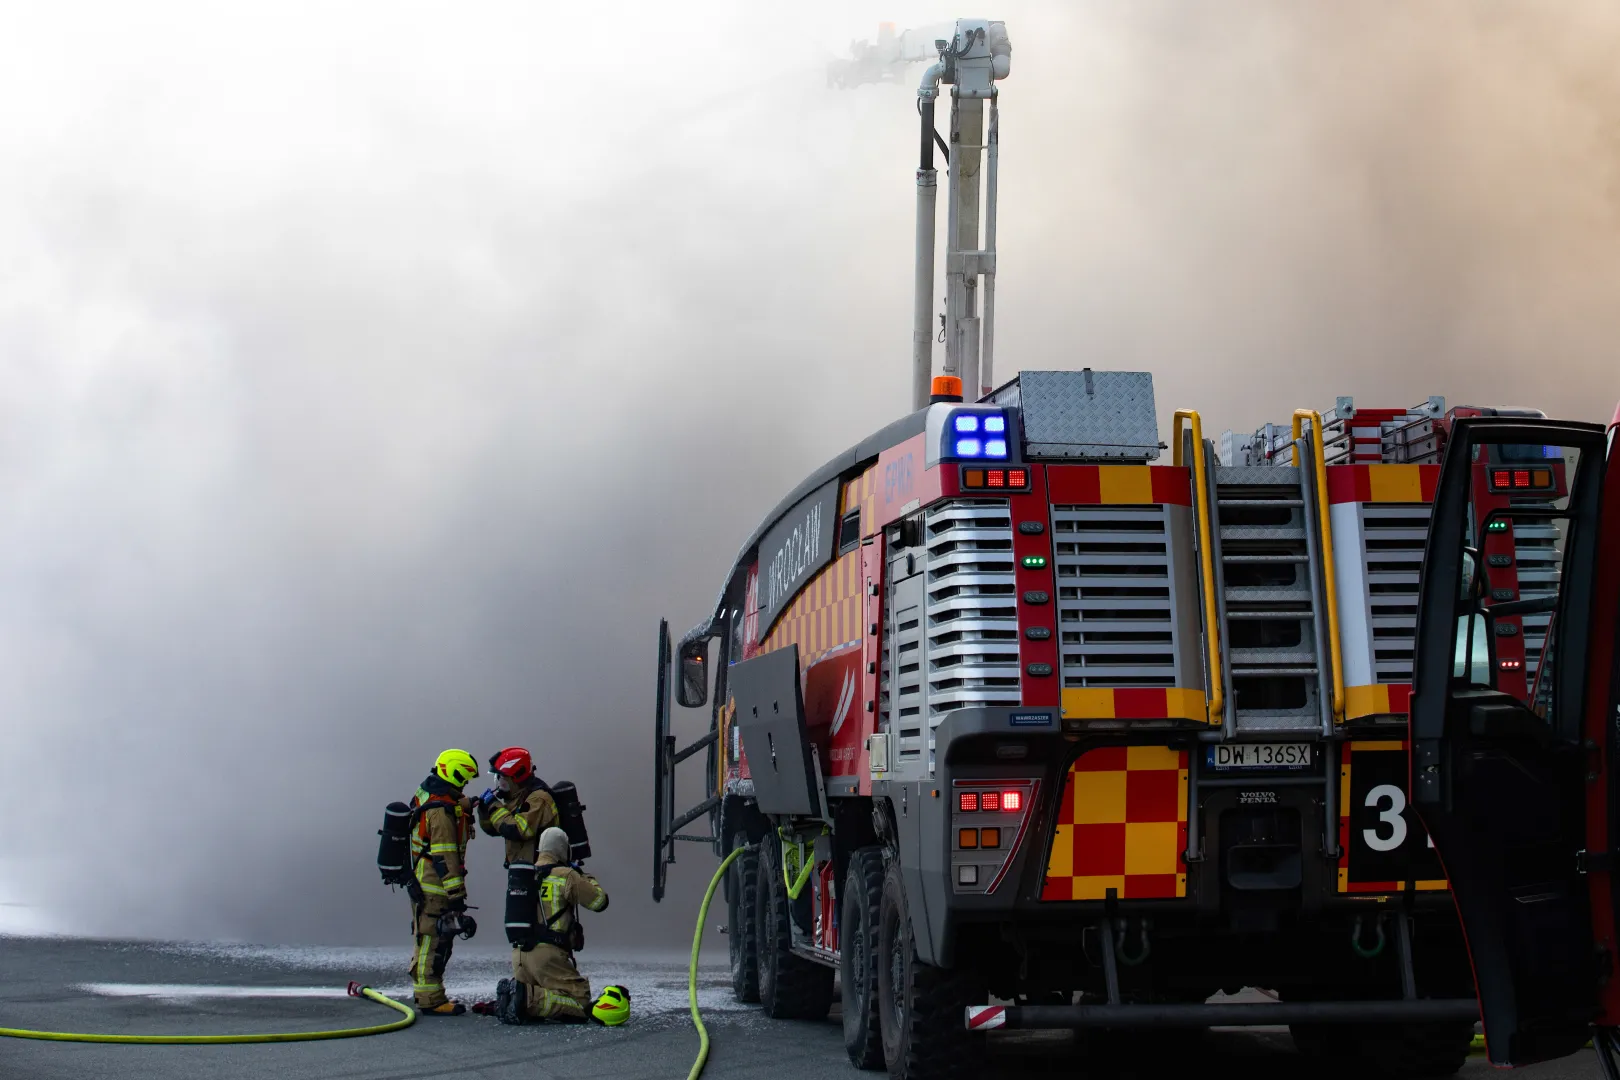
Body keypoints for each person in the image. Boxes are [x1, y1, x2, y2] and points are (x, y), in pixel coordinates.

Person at [495, 827, 609, 1024]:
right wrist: (585, 876)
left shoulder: (526, 875)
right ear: (564, 849)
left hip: (519, 955)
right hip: (548, 956)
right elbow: (599, 902)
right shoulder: (566, 875)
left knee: (550, 996)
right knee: (580, 1002)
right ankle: (526, 998)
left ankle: (521, 993)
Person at [408, 748, 479, 1016]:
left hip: (424, 878)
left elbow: (451, 804)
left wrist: (469, 804)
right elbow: (445, 855)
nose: (464, 785)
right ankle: (431, 999)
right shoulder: (440, 811)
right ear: (454, 773)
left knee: (430, 936)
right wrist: (457, 894)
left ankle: (427, 993)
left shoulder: (430, 794)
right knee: (432, 940)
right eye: (463, 779)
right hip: (433, 884)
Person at [475, 746, 557, 865]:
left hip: (540, 869)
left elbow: (518, 830)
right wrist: (484, 811)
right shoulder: (516, 798)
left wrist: (494, 806)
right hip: (522, 869)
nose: (499, 782)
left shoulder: (538, 798)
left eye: (502, 778)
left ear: (517, 777)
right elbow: (495, 829)